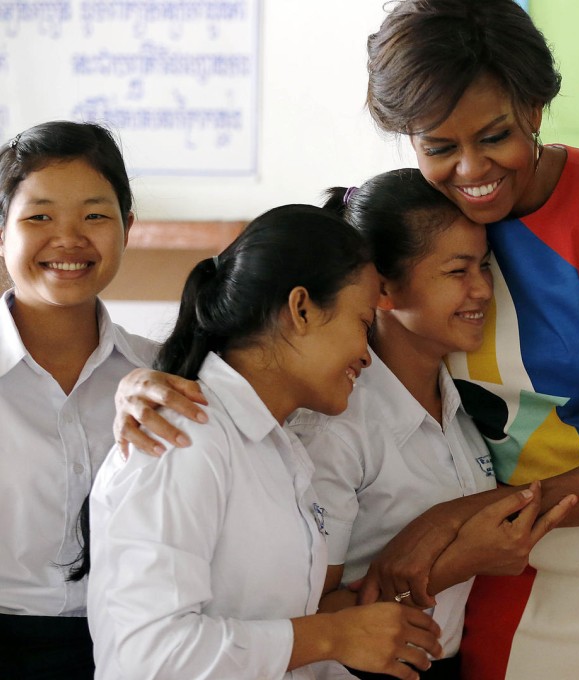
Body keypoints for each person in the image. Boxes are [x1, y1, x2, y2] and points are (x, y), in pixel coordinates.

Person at [111, 2, 579, 676]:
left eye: (495, 135)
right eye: (439, 147)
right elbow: (259, 307)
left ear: (535, 107)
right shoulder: (413, 223)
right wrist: (137, 380)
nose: (471, 169)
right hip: (494, 582)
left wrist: (445, 522)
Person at [87, 204, 442, 680]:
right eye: (362, 323)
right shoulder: (183, 438)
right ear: (300, 309)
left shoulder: (280, 447)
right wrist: (332, 636)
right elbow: (154, 656)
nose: (367, 356)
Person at [291, 168, 576, 680]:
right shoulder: (339, 424)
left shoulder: (465, 401)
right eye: (457, 272)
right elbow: (310, 613)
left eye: (484, 267)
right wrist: (462, 559)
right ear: (383, 288)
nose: (483, 291)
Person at [0, 121, 153, 678]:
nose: (68, 239)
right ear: (1, 231)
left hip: (135, 647)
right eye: (39, 216)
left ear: (128, 228)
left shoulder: (166, 375)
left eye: (95, 216)